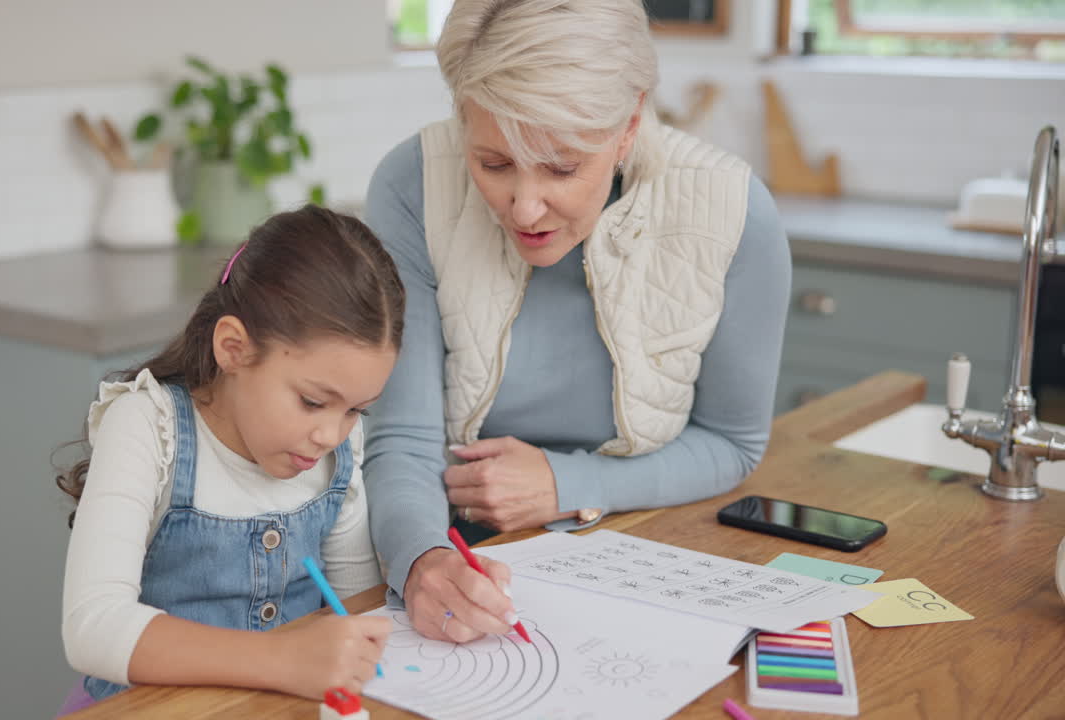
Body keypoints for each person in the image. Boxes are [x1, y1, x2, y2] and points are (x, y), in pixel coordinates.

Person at [362, 0, 792, 645]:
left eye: (561, 168)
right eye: (494, 163)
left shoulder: (731, 213)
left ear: (628, 126)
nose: (525, 208)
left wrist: (568, 483)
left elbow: (733, 444)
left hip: (644, 536)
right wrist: (422, 562)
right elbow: (402, 440)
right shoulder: (412, 186)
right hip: (451, 545)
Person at [54, 205, 404, 714]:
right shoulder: (148, 427)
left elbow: (356, 605)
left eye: (356, 409)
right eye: (311, 401)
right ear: (234, 349)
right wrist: (282, 659)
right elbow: (93, 628)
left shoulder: (339, 449)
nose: (330, 433)